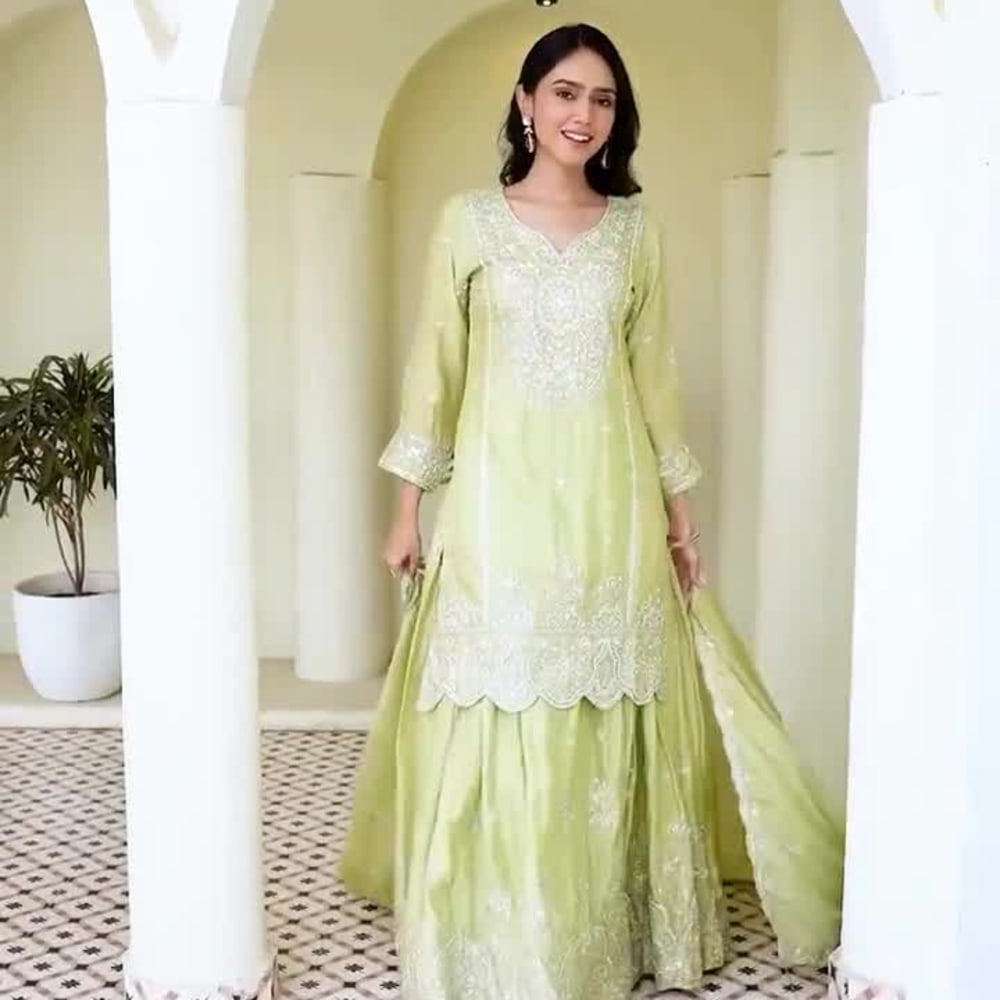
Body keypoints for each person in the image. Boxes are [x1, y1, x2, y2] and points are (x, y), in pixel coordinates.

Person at [341, 22, 843, 999]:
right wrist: (408, 509)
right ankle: (499, 927)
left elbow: (655, 381)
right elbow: (434, 370)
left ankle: (608, 927)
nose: (583, 114)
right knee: (504, 684)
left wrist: (679, 510)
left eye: (603, 100)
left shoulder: (634, 231)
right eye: (566, 93)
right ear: (525, 103)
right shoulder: (467, 223)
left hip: (612, 503)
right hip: (498, 500)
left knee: (609, 690)